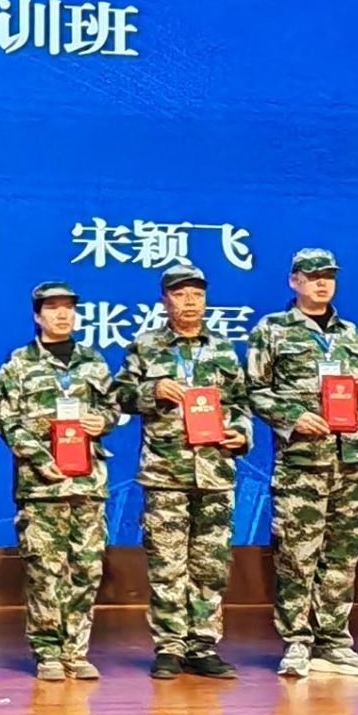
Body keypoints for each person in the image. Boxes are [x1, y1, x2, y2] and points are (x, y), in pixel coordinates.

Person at [244, 248, 358, 678]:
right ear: (294, 281)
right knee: (297, 554)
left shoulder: (350, 333)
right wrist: (292, 417)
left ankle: (334, 641)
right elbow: (253, 390)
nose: (322, 283)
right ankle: (297, 641)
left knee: (343, 554)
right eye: (313, 276)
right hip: (302, 461)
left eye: (328, 276)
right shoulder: (272, 330)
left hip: (351, 460)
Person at [112, 262, 252, 681]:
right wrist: (151, 390)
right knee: (167, 562)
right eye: (180, 294)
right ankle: (170, 645)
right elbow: (118, 396)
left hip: (215, 470)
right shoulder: (146, 346)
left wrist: (241, 433)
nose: (190, 301)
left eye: (197, 294)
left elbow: (240, 402)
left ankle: (203, 644)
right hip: (166, 471)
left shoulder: (222, 348)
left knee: (211, 563)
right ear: (164, 300)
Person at [0, 281, 115, 682]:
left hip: (87, 483)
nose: (62, 314)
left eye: (68, 308)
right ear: (37, 315)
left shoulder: (93, 361)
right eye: (53, 308)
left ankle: (76, 651)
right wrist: (39, 458)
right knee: (45, 570)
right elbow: (5, 419)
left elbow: (113, 407)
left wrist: (102, 421)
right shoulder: (18, 364)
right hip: (41, 484)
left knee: (86, 568)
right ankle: (47, 651)